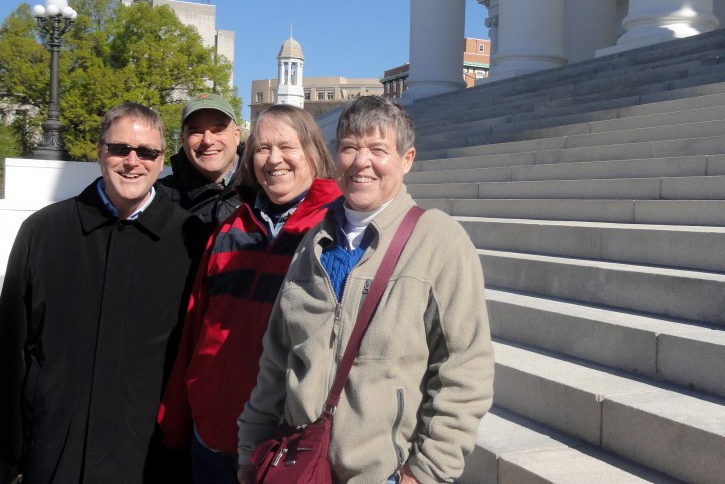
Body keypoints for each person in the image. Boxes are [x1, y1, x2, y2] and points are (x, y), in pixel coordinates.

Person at [236, 96, 494, 484]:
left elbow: (465, 370)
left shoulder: (439, 241)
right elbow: (276, 361)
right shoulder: (313, 242)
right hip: (300, 464)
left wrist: (424, 473)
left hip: (383, 473)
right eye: (350, 148)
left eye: (378, 149)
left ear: (406, 160)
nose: (361, 162)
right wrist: (250, 452)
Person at [0, 102, 204, 483]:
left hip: (150, 460)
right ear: (99, 151)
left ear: (162, 162)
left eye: (147, 152)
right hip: (55, 451)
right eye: (119, 149)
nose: (132, 161)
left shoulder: (191, 240)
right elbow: (12, 347)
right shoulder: (43, 232)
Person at [159, 105, 340, 483]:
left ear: (312, 151)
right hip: (210, 437)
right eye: (262, 148)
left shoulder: (337, 229)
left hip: (283, 448)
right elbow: (197, 329)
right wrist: (177, 418)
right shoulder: (230, 229)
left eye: (287, 146)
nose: (274, 159)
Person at [159, 92, 244, 237]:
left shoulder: (265, 189)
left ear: (236, 135)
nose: (208, 140)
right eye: (196, 132)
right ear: (182, 139)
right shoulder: (160, 198)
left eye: (218, 130)